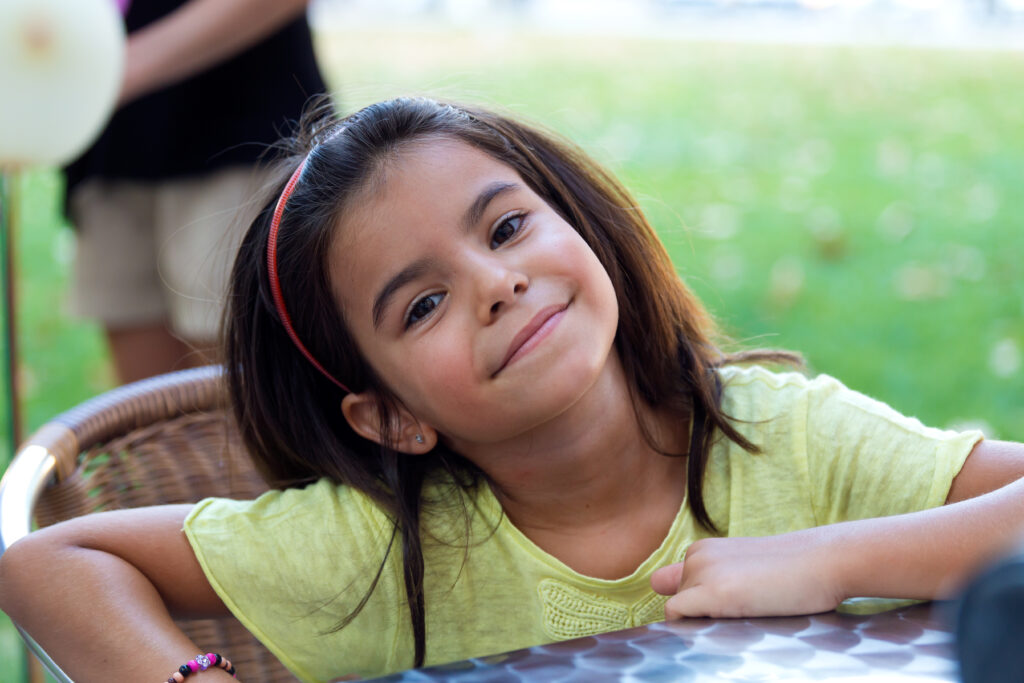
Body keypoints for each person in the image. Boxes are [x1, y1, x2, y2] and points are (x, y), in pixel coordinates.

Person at [2, 97, 1024, 683]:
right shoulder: (380, 547)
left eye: (504, 228)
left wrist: (828, 556)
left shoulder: (788, 440)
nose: (497, 285)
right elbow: (53, 562)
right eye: (421, 305)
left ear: (582, 225)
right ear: (392, 413)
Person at [64, 0, 326, 383]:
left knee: (249, 410)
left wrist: (118, 69)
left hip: (241, 132)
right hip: (111, 151)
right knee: (150, 421)